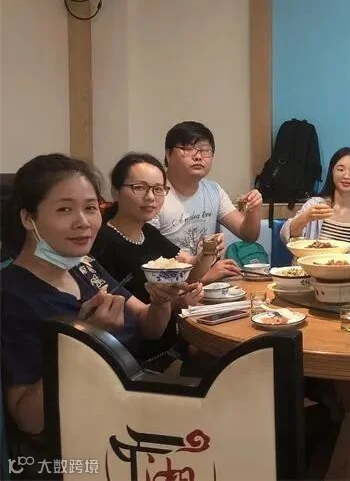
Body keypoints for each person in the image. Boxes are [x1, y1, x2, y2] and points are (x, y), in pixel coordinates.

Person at [0, 154, 202, 440]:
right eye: (65, 209)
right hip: (90, 436)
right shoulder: (11, 294)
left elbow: (150, 327)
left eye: (91, 208)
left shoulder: (84, 266)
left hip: (134, 398)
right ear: (28, 218)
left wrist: (160, 301)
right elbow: (28, 420)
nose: (83, 222)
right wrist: (87, 337)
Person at [91, 153, 212, 366]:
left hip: (173, 340)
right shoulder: (102, 243)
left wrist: (208, 252)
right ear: (115, 192)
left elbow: (188, 272)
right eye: (139, 187)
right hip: (142, 358)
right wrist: (178, 302)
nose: (150, 197)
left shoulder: (147, 232)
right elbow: (131, 318)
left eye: (158, 189)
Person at [150, 121, 262, 280]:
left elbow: (248, 235)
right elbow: (150, 252)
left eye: (205, 150)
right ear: (168, 154)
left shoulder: (213, 191)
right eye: (188, 149)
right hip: (168, 284)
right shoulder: (153, 194)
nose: (198, 156)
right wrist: (207, 275)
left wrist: (253, 208)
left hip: (207, 284)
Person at [281, 147, 350, 250]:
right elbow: (286, 235)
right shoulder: (314, 204)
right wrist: (306, 217)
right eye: (340, 169)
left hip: (347, 261)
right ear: (332, 172)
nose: (346, 176)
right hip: (312, 260)